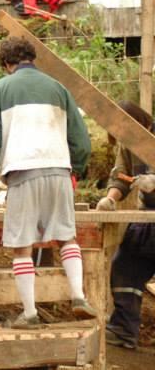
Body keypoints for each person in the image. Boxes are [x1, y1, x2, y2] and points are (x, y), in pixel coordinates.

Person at [0, 37, 96, 328]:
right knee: (66, 236)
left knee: (21, 245)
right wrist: (75, 169)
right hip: (58, 170)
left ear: (6, 64)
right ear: (32, 58)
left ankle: (29, 313)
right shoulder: (58, 88)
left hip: (22, 171)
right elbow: (80, 139)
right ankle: (78, 296)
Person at [95, 101, 155, 349]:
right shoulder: (127, 143)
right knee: (125, 267)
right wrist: (109, 198)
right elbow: (120, 176)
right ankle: (122, 330)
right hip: (147, 219)